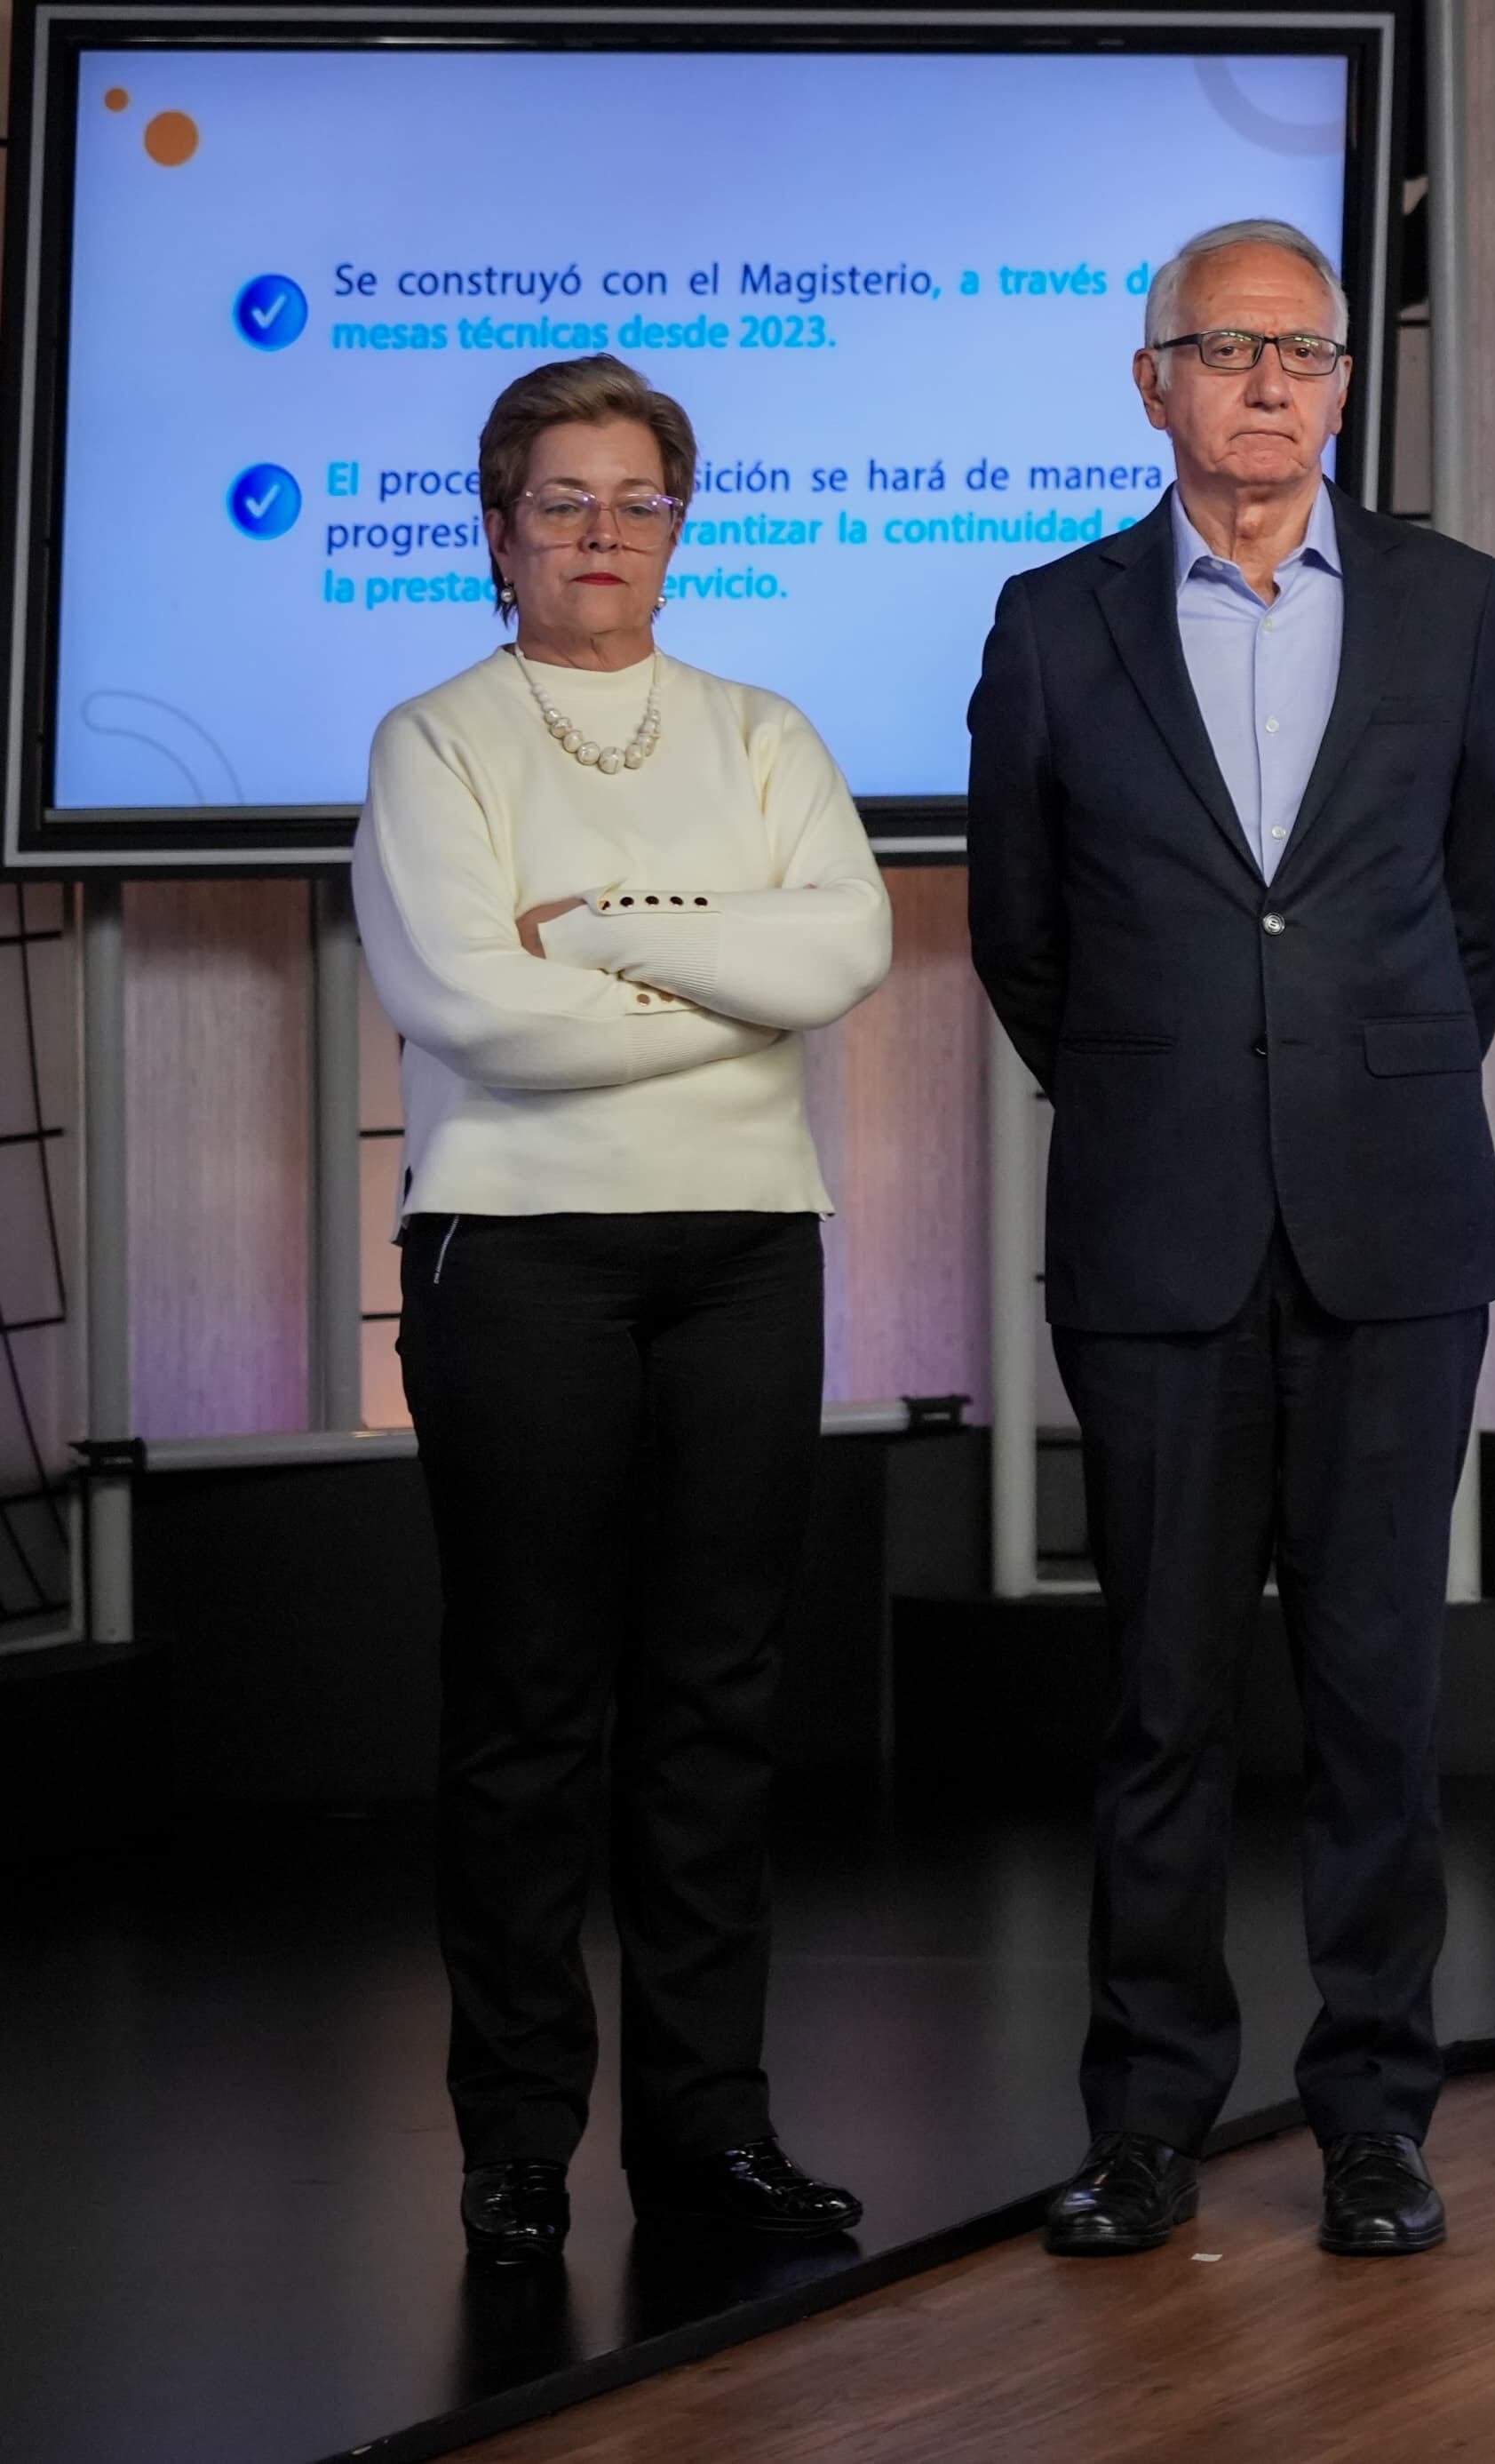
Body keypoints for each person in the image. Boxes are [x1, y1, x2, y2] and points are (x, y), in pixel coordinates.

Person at [966, 218, 1495, 2261]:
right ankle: (1145, 2125)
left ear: (1342, 384)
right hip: (1155, 1226)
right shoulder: (1052, 623)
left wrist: (1342, 1080)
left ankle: (1373, 2114)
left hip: (1394, 1227)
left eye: (1302, 351)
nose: (1271, 385)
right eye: (1227, 351)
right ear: (1154, 385)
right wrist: (1180, 1083)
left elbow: (1492, 904)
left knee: (1380, 1697)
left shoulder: (1452, 606)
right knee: (1162, 1700)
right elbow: (1022, 939)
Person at [353, 355, 895, 2267]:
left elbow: (842, 947)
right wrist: (713, 984)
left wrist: (587, 928)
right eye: (563, 501)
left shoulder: (762, 730)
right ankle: (514, 2154)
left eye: (636, 500)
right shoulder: (437, 741)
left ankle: (705, 2139)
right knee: (527, 1711)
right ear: (498, 529)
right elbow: (460, 1005)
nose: (601, 535)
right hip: (516, 1252)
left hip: (749, 1242)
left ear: (681, 525)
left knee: (716, 1709)